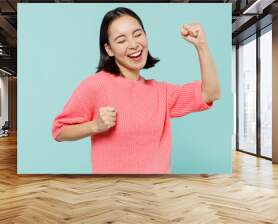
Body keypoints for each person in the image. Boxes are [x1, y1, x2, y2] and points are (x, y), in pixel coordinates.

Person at [52, 7, 221, 174]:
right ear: (109, 49)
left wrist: (201, 45)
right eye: (121, 40)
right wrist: (94, 126)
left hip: (156, 194)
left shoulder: (160, 92)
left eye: (138, 34)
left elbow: (210, 93)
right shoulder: (95, 85)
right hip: (113, 196)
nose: (134, 44)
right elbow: (59, 131)